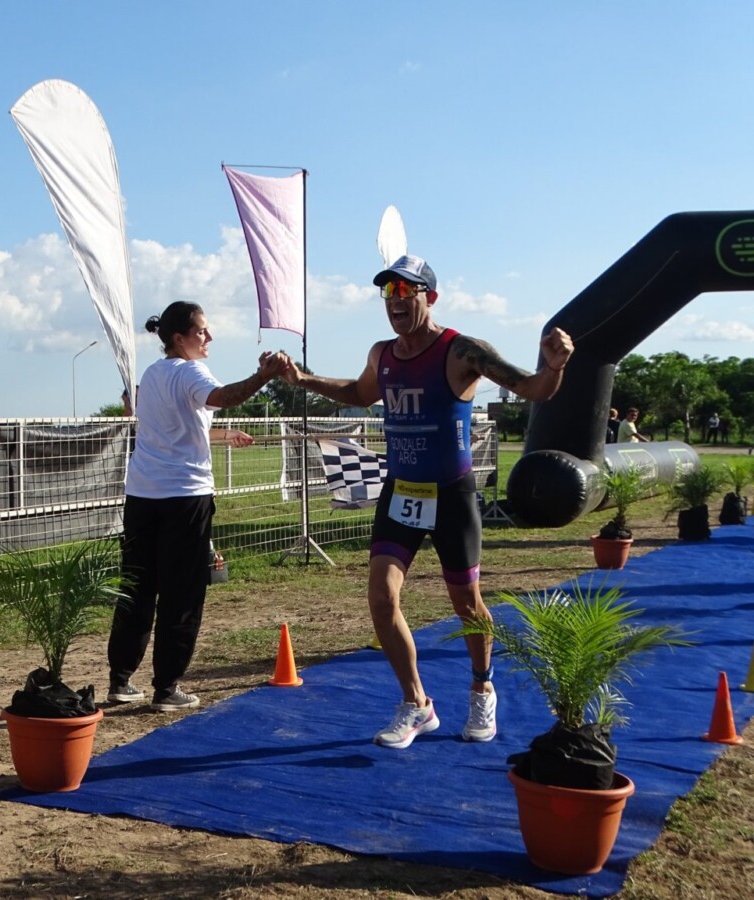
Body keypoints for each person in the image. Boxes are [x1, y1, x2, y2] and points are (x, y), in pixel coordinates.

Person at [282, 253, 574, 749]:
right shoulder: (383, 353)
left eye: (405, 291)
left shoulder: (462, 351)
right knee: (381, 597)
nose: (395, 302)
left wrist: (556, 364)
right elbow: (358, 392)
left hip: (452, 495)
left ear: (429, 297)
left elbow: (533, 388)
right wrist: (302, 379)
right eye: (388, 293)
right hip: (402, 491)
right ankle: (416, 703)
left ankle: (483, 686)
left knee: (466, 603)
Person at [107, 301, 284, 711]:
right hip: (184, 498)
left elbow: (177, 428)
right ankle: (166, 687)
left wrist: (223, 436)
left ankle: (120, 679)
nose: (209, 337)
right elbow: (224, 396)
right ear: (178, 338)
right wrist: (263, 376)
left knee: (136, 588)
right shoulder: (191, 371)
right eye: (202, 331)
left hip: (142, 497)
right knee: (181, 593)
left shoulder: (152, 375)